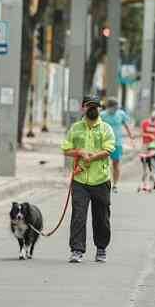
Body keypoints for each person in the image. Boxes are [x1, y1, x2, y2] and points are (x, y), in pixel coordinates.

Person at [61, 95, 116, 263]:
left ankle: (101, 248)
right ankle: (77, 250)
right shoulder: (75, 128)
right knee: (78, 215)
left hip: (101, 179)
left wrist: (92, 157)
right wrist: (79, 152)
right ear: (83, 108)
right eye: (89, 106)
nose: (92, 109)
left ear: (99, 109)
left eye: (95, 106)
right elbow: (66, 148)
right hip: (80, 180)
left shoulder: (106, 128)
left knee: (101, 217)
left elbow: (109, 149)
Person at [100, 99, 135, 193]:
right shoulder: (102, 115)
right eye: (114, 108)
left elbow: (126, 124)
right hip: (104, 143)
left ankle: (115, 185)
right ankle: (103, 183)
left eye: (117, 108)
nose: (115, 110)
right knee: (103, 164)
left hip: (117, 143)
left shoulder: (121, 114)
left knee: (116, 164)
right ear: (109, 107)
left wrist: (130, 134)